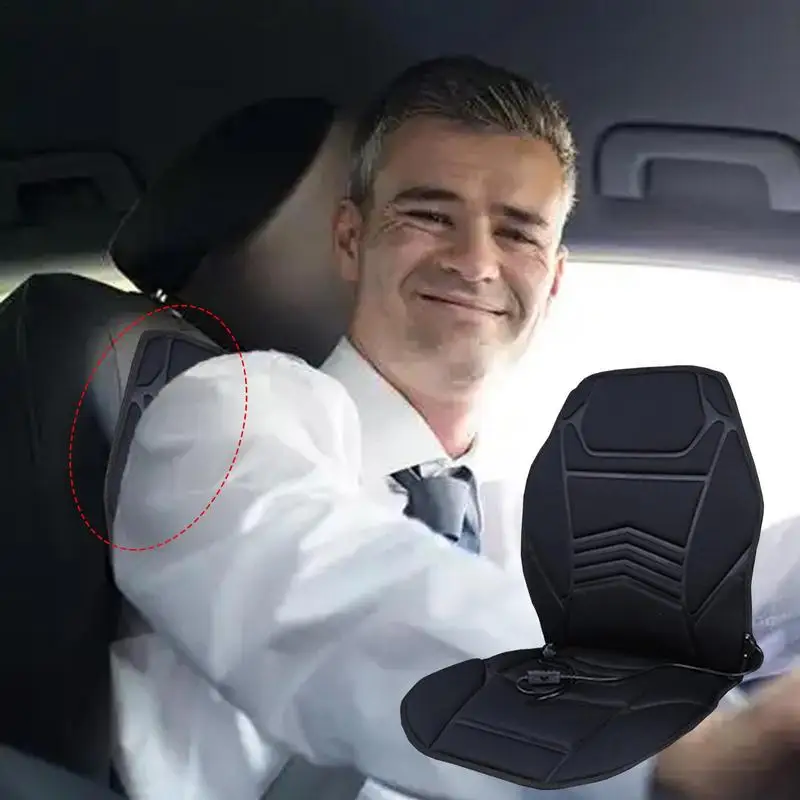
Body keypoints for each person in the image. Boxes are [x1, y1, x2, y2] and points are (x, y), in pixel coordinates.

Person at [110, 56, 800, 800]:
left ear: (553, 278)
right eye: (430, 216)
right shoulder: (232, 409)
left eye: (518, 232)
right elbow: (319, 584)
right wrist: (672, 750)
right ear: (349, 239)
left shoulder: (508, 518)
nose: (475, 263)